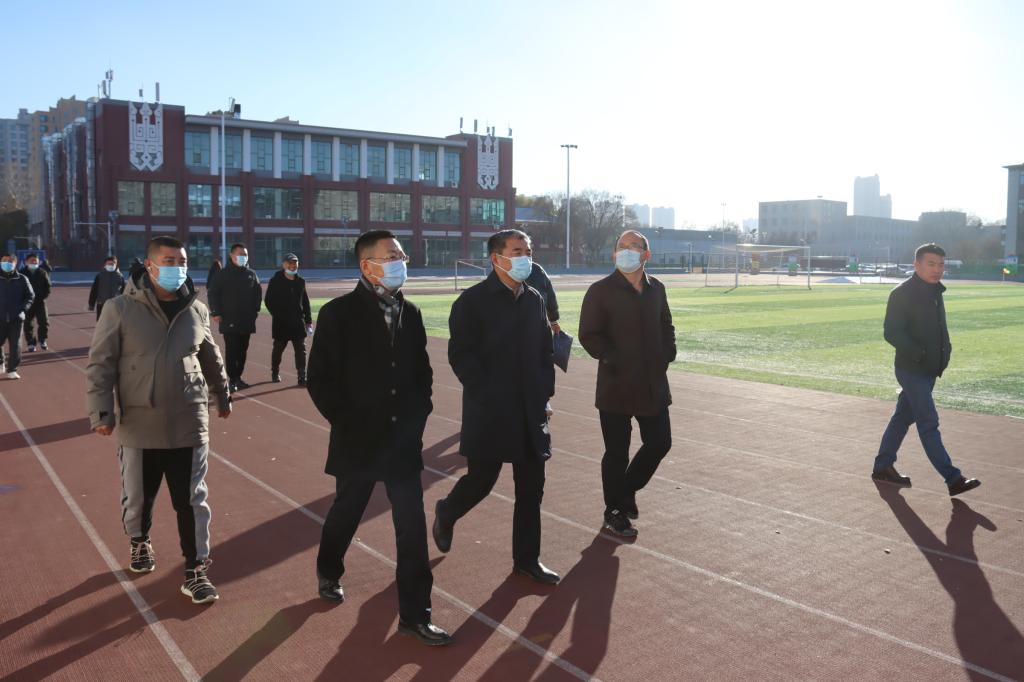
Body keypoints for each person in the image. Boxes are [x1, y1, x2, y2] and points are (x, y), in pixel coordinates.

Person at [307, 230, 451, 646]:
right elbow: (320, 380)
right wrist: (346, 422)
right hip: (358, 440)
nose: (400, 263)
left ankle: (416, 615)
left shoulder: (412, 313)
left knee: (411, 527)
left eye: (401, 256)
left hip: (402, 440)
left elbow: (422, 374)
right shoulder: (337, 314)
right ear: (366, 265)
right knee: (346, 512)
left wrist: (418, 417)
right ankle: (329, 569)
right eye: (391, 257)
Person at [86, 236, 231, 605]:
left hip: (189, 417)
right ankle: (139, 541)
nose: (177, 268)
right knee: (138, 496)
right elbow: (100, 364)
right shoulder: (119, 309)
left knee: (192, 499)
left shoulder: (196, 309)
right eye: (169, 261)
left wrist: (222, 394)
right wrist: (101, 412)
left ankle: (196, 570)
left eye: (182, 261)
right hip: (140, 420)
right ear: (149, 266)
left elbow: (210, 356)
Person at [432, 229, 559, 585]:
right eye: (517, 251)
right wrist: (488, 393)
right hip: (490, 409)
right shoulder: (472, 302)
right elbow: (461, 357)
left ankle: (527, 560)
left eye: (528, 251)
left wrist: (544, 394)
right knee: (481, 481)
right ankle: (448, 510)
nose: (525, 258)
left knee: (531, 488)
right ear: (496, 258)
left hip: (531, 410)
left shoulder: (534, 299)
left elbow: (544, 352)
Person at [578, 230, 676, 538]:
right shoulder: (600, 291)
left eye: (634, 246)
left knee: (660, 442)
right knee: (616, 453)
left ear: (647, 255)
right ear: (614, 254)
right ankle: (615, 512)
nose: (627, 251)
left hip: (653, 383)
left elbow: (666, 324)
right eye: (622, 246)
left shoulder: (657, 288)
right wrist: (613, 358)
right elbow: (588, 335)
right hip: (616, 384)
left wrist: (668, 353)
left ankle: (625, 490)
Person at [872, 243, 981, 497]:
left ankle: (882, 466)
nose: (937, 269)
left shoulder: (935, 290)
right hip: (911, 369)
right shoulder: (902, 293)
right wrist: (918, 353)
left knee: (902, 418)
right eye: (931, 264)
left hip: (930, 369)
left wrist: (945, 352)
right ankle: (953, 479)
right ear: (917, 265)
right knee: (928, 422)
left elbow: (940, 328)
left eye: (941, 264)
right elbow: (891, 332)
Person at [208, 243, 262, 392]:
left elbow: (257, 293)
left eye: (245, 255)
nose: (243, 257)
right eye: (240, 254)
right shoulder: (222, 274)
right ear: (232, 255)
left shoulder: (251, 274)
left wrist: (255, 310)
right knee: (232, 350)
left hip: (247, 319)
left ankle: (238, 377)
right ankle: (232, 379)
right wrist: (216, 312)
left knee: (243, 350)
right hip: (229, 319)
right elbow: (213, 293)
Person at [263, 253, 312, 385]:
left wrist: (308, 321)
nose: (293, 265)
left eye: (295, 263)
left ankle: (302, 376)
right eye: (290, 263)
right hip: (281, 323)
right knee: (278, 350)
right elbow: (268, 301)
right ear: (284, 264)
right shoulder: (275, 281)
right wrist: (278, 315)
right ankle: (275, 372)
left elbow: (305, 302)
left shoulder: (300, 281)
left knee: (301, 350)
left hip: (298, 323)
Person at [0, 253, 35, 380]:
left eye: (10, 261)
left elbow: (30, 296)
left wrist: (23, 309)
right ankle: (1, 361)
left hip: (16, 318)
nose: (7, 263)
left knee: (15, 345)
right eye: (4, 261)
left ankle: (12, 370)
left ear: (15, 264)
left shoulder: (22, 279)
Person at [21, 253, 51, 352]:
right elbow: (18, 288)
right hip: (27, 302)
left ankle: (42, 340)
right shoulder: (22, 273)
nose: (34, 262)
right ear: (26, 262)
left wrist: (44, 296)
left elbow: (48, 286)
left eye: (36, 261)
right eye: (32, 260)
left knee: (44, 322)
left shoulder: (42, 272)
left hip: (40, 301)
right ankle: (31, 343)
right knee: (28, 323)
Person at [88, 256, 125, 321]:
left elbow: (124, 291)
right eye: (109, 264)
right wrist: (91, 304)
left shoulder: (120, 276)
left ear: (116, 264)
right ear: (105, 264)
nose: (110, 265)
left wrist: (125, 305)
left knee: (115, 323)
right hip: (102, 304)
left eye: (112, 264)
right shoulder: (99, 276)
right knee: (101, 323)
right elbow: (94, 290)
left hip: (116, 305)